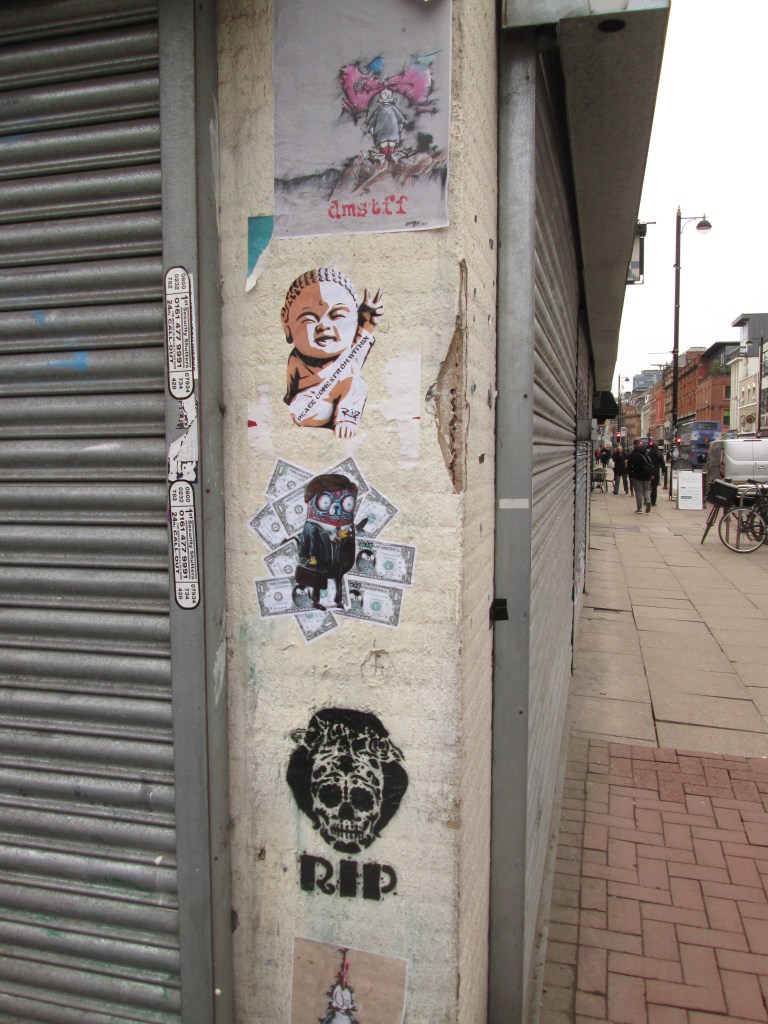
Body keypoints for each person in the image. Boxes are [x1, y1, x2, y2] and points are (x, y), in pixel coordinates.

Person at [281, 267, 383, 439]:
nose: (323, 325)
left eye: (336, 315)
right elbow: (291, 393)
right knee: (297, 406)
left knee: (357, 383)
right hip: (310, 408)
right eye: (309, 317)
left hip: (344, 402)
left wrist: (368, 323)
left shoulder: (348, 353)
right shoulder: (296, 360)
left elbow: (360, 343)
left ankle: (347, 418)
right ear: (287, 323)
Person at [627, 438, 654, 513]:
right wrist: (652, 474)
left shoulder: (633, 455)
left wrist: (631, 475)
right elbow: (651, 464)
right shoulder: (647, 453)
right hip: (647, 476)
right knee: (647, 490)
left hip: (637, 476)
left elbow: (629, 466)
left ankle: (639, 509)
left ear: (634, 446)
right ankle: (647, 500)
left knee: (638, 492)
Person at [647, 440, 666, 506]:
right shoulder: (659, 454)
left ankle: (647, 500)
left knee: (648, 487)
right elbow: (662, 463)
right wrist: (663, 471)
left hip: (649, 471)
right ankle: (653, 501)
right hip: (656, 472)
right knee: (654, 487)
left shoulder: (648, 453)